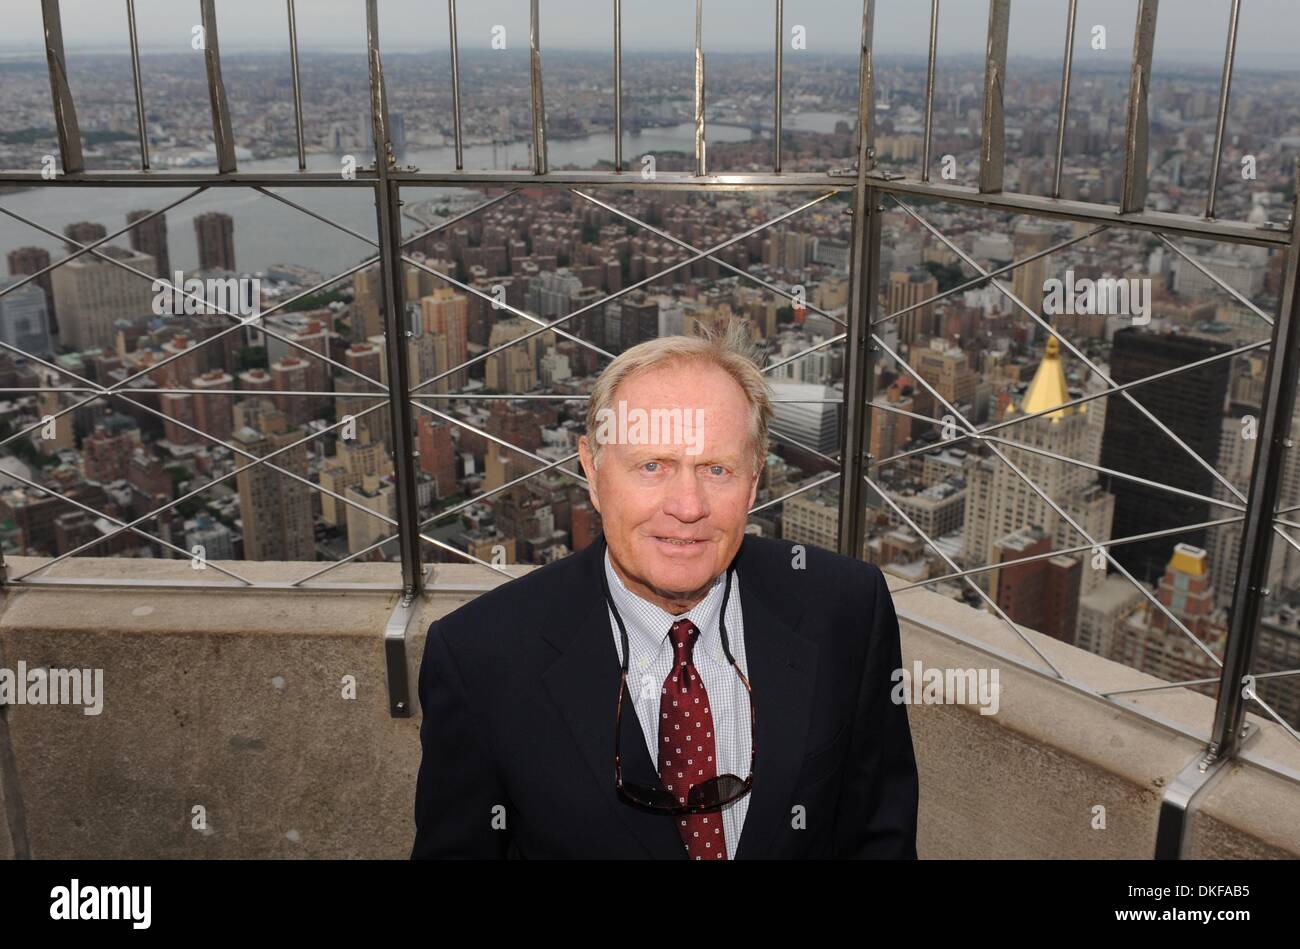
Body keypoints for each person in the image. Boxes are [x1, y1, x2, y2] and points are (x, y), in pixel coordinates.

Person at [412, 318, 918, 859]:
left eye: (716, 469)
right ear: (592, 468)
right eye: (652, 466)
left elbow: (877, 837)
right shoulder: (481, 659)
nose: (688, 506)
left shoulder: (846, 609)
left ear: (753, 480)